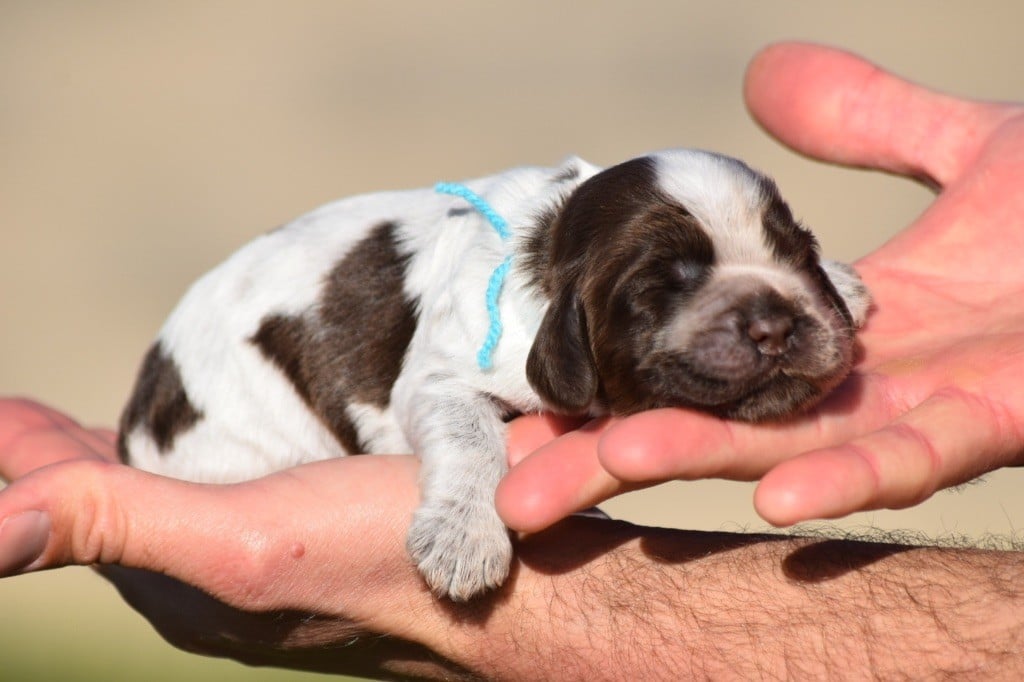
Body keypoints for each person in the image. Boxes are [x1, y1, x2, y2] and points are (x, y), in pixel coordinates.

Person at [2, 42, 1024, 679]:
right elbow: (434, 385)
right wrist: (460, 494)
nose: (765, 325)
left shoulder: (600, 255)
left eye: (785, 251)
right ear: (568, 335)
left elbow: (740, 271)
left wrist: (807, 286)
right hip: (222, 444)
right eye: (669, 289)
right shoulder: (496, 322)